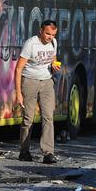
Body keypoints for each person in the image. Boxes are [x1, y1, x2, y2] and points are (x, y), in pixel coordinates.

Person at [15, 20, 61, 164]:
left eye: (53, 34)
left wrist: (54, 65)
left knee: (48, 117)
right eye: (47, 33)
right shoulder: (31, 44)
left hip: (47, 82)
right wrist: (18, 93)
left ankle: (48, 153)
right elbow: (18, 69)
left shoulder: (53, 43)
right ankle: (24, 151)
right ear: (41, 31)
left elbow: (53, 58)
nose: (50, 37)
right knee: (28, 118)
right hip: (30, 82)